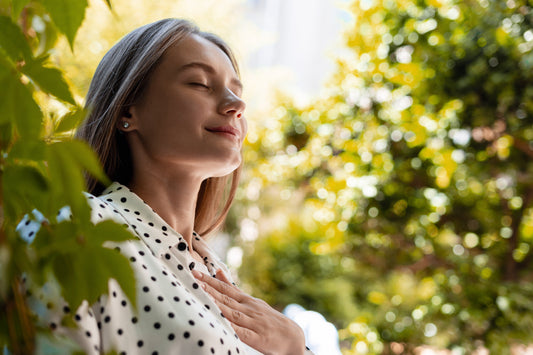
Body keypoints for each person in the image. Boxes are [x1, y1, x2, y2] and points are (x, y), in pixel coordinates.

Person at [37, 18, 313, 354]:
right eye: (199, 83)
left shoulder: (218, 273)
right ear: (128, 110)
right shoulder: (71, 227)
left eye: (237, 93)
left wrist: (294, 347)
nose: (236, 106)